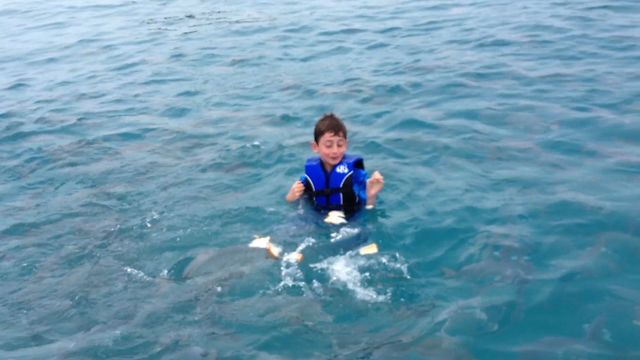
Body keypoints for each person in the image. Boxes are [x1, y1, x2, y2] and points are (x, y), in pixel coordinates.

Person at [285, 113, 384, 215]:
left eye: (340, 145)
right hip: (318, 220)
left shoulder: (356, 175)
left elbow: (368, 208)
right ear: (315, 147)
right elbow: (294, 203)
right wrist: (291, 196)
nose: (335, 150)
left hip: (350, 221)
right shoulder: (307, 179)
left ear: (346, 145)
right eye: (328, 145)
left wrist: (371, 195)